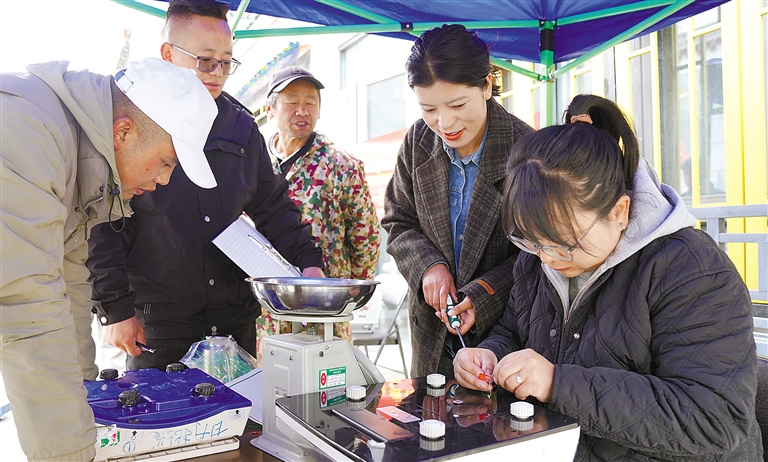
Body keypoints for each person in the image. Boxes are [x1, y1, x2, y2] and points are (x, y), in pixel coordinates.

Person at [453, 94, 762, 460]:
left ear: (620, 211)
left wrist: (558, 383)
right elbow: (513, 330)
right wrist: (489, 355)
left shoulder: (690, 269)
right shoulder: (536, 259)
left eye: (566, 244)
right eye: (533, 242)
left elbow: (716, 419)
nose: (549, 260)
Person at [87, 0, 324, 372]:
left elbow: (274, 206)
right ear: (167, 54)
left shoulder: (242, 128)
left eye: (227, 61)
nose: (217, 72)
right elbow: (102, 225)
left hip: (235, 322)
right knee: (165, 427)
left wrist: (309, 263)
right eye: (205, 60)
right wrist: (115, 309)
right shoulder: (132, 121)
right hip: (160, 328)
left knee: (242, 428)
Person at [1, 57, 217, 461]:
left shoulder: (83, 162)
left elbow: (69, 285)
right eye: (167, 161)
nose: (164, 180)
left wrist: (81, 400)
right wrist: (72, 450)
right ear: (123, 132)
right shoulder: (24, 130)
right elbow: (28, 309)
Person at [381, 24, 534, 378]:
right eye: (429, 108)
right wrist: (428, 266)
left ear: (486, 85)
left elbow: (541, 253)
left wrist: (482, 294)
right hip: (431, 334)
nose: (444, 122)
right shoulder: (417, 141)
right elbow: (398, 221)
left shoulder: (527, 150)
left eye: (457, 104)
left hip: (503, 336)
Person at [256, 66, 381, 358]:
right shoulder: (254, 165)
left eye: (310, 102)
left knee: (327, 392)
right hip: (268, 316)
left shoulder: (342, 166)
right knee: (271, 389)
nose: (302, 110)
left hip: (326, 316)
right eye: (292, 102)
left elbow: (367, 237)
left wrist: (345, 294)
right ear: (270, 109)